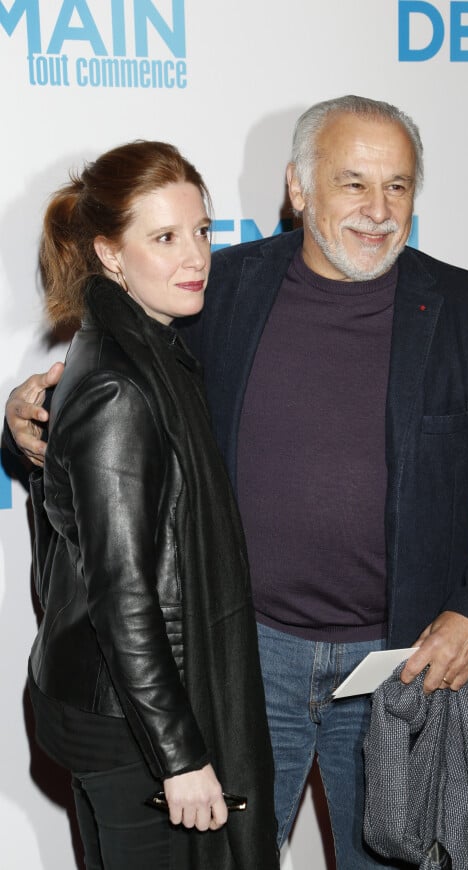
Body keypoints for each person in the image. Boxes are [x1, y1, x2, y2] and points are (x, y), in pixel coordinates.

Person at [5, 97, 468, 869]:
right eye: (353, 183)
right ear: (298, 189)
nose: (377, 210)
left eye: (397, 187)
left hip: (394, 665)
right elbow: (120, 380)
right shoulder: (217, 290)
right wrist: (29, 407)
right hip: (240, 655)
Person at [11, 141, 278, 870]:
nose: (195, 256)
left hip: (111, 706)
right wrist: (179, 755)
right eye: (163, 237)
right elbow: (123, 594)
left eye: (201, 231)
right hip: (129, 724)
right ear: (110, 254)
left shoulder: (146, 350)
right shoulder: (119, 388)